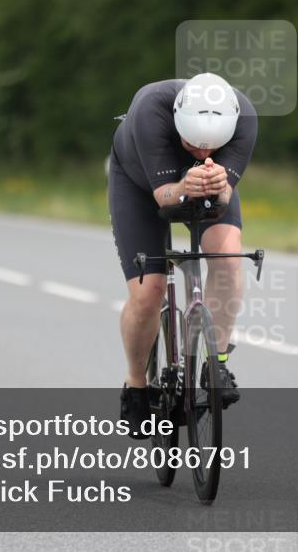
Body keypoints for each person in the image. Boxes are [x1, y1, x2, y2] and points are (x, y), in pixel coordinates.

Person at [108, 73, 258, 437]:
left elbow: (222, 199)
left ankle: (216, 363)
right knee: (149, 291)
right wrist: (183, 186)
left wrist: (219, 188)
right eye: (193, 145)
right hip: (142, 184)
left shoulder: (245, 118)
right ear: (178, 124)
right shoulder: (150, 110)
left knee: (227, 259)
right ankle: (136, 383)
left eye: (213, 148)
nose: (204, 155)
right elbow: (164, 199)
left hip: (207, 185)